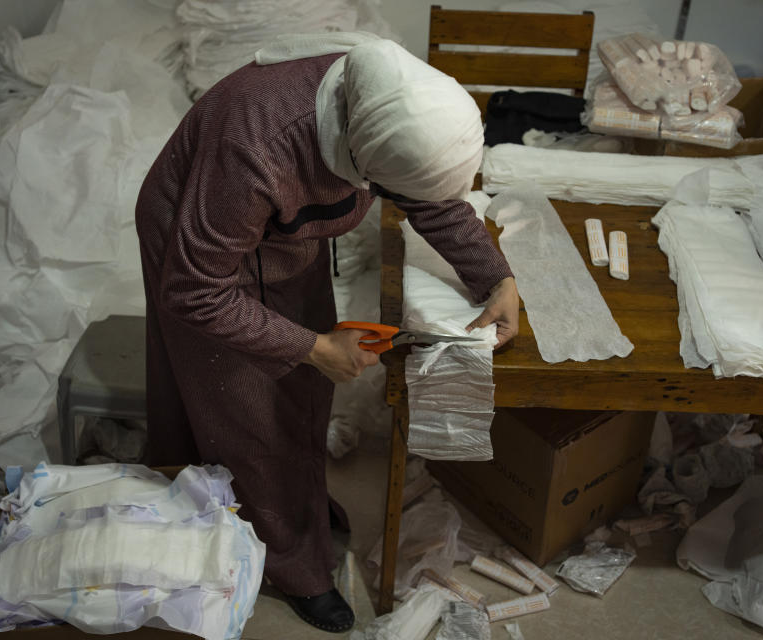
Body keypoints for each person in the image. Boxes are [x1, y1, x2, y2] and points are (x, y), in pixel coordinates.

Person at [134, 32, 519, 633]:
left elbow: (433, 199)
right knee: (247, 409)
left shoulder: (391, 100)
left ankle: (298, 508)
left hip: (281, 237)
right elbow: (194, 290)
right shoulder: (254, 147)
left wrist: (496, 278)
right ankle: (293, 566)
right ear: (357, 152)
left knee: (308, 389)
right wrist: (313, 345)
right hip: (204, 255)